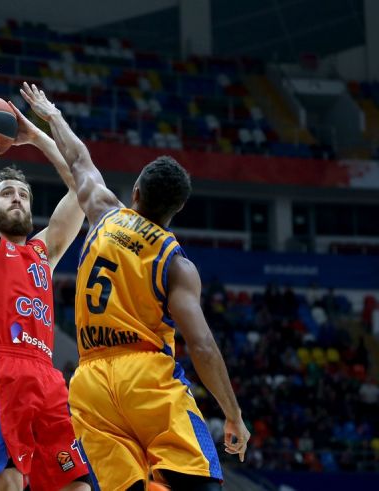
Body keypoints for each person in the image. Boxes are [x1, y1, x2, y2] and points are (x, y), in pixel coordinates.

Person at [20, 83, 250, 490]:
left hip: (90, 380)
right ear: (176, 210)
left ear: (136, 193)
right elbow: (202, 346)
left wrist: (50, 116)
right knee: (198, 479)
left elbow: (78, 160)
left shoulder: (104, 213)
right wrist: (232, 413)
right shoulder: (176, 263)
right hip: (145, 375)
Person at [0, 100, 89, 489]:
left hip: (48, 377)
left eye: (24, 195)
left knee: (76, 485)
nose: (17, 198)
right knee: (8, 484)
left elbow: (82, 191)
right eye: (8, 194)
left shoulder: (42, 254)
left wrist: (38, 138)